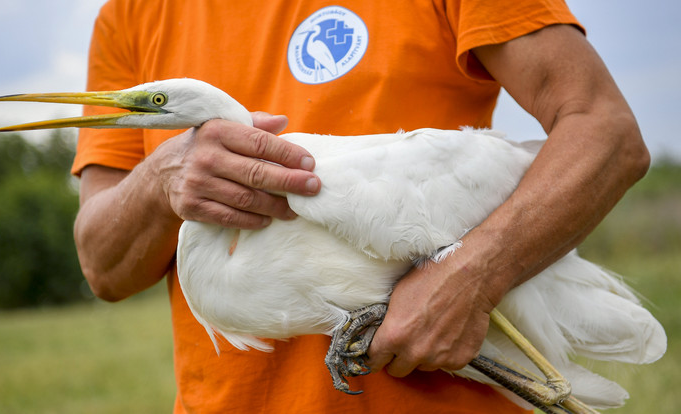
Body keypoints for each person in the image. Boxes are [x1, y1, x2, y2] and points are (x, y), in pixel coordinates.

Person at [71, 0, 649, 412]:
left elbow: (606, 132)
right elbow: (103, 267)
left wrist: (468, 280)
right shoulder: (131, 12)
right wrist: (161, 176)